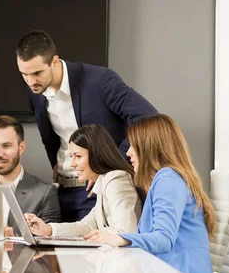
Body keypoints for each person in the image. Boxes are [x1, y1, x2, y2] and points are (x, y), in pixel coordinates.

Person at [16, 30, 157, 223]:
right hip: (62, 191)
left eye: (37, 73)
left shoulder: (99, 80)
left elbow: (147, 117)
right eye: (24, 74)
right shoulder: (35, 91)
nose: (31, 81)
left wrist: (108, 163)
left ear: (55, 61)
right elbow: (49, 136)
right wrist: (55, 164)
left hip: (97, 191)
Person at [93, 114, 216, 273]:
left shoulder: (168, 179)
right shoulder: (169, 178)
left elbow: (164, 239)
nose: (128, 153)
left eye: (133, 146)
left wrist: (121, 238)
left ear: (149, 147)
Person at [25, 125, 142, 243]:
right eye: (72, 157)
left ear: (97, 154)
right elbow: (86, 226)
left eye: (78, 156)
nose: (72, 164)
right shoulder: (104, 180)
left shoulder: (116, 179)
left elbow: (126, 232)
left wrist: (100, 234)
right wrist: (47, 229)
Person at [0, 115, 60, 236]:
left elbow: (48, 245)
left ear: (21, 147)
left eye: (6, 146)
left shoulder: (45, 193)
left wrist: (14, 241)